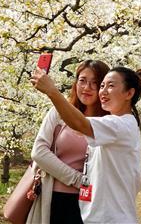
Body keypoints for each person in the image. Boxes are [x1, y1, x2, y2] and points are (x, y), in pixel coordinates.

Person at [33, 66, 141, 224]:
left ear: (129, 93)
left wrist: (52, 91)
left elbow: (79, 123)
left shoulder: (119, 125)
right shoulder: (118, 125)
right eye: (102, 86)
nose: (103, 91)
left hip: (111, 218)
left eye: (111, 85)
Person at [28, 59, 110, 224]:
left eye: (95, 83)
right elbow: (39, 152)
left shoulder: (108, 122)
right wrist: (79, 180)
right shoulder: (58, 113)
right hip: (55, 198)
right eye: (82, 81)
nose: (87, 88)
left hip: (94, 202)